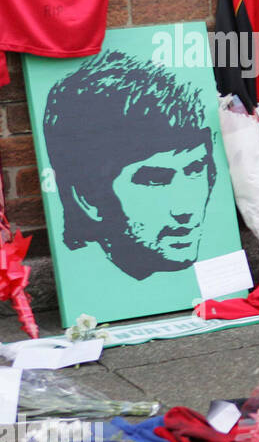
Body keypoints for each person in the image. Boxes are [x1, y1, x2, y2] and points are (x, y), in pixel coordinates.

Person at [43, 50, 218, 281]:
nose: (185, 210)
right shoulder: (88, 284)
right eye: (155, 180)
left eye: (195, 169)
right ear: (88, 197)